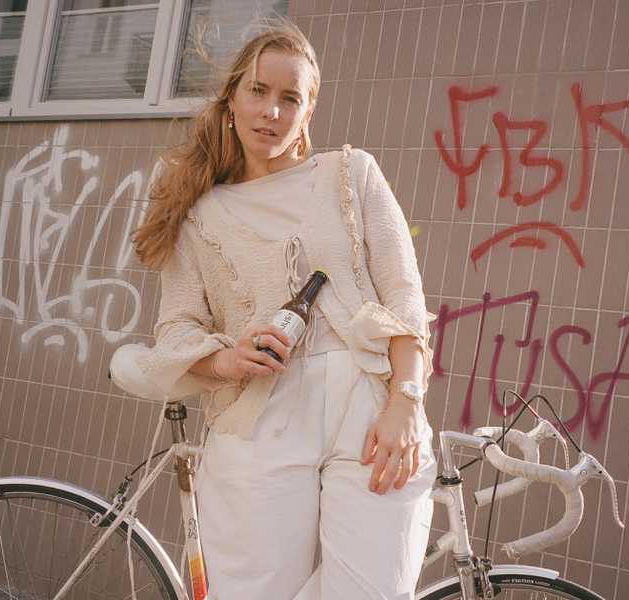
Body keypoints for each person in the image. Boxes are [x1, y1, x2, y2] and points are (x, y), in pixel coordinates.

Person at [129, 18, 436, 600]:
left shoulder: (352, 174)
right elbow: (176, 328)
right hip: (258, 422)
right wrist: (225, 358)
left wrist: (406, 400)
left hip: (370, 411)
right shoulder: (201, 215)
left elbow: (405, 297)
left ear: (308, 113)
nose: (272, 110)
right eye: (259, 92)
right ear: (232, 101)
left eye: (289, 97)